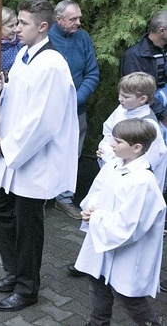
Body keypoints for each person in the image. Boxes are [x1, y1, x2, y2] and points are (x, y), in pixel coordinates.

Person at [0, 0, 78, 312]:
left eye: (22, 24)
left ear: (42, 26)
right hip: (14, 153)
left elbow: (44, 122)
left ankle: (27, 288)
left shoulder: (52, 64)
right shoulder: (25, 54)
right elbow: (23, 101)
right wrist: (3, 86)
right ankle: (14, 269)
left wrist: (6, 146)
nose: (15, 28)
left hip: (34, 157)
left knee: (28, 224)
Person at [73, 119, 166, 325]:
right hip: (102, 239)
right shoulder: (114, 165)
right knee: (97, 280)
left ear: (137, 148)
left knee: (128, 296)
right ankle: (98, 321)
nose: (112, 145)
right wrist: (91, 207)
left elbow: (130, 225)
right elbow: (98, 190)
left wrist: (96, 218)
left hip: (127, 250)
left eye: (118, 141)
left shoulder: (143, 181)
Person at [48, 0, 99, 219]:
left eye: (79, 18)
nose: (78, 22)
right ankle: (41, 195)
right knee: (44, 152)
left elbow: (92, 73)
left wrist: (76, 99)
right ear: (58, 20)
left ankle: (64, 198)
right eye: (73, 19)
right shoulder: (46, 39)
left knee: (72, 154)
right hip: (48, 111)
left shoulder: (84, 39)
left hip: (76, 110)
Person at [121, 10, 167, 121]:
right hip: (145, 115)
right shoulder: (134, 56)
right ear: (162, 31)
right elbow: (137, 92)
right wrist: (163, 116)